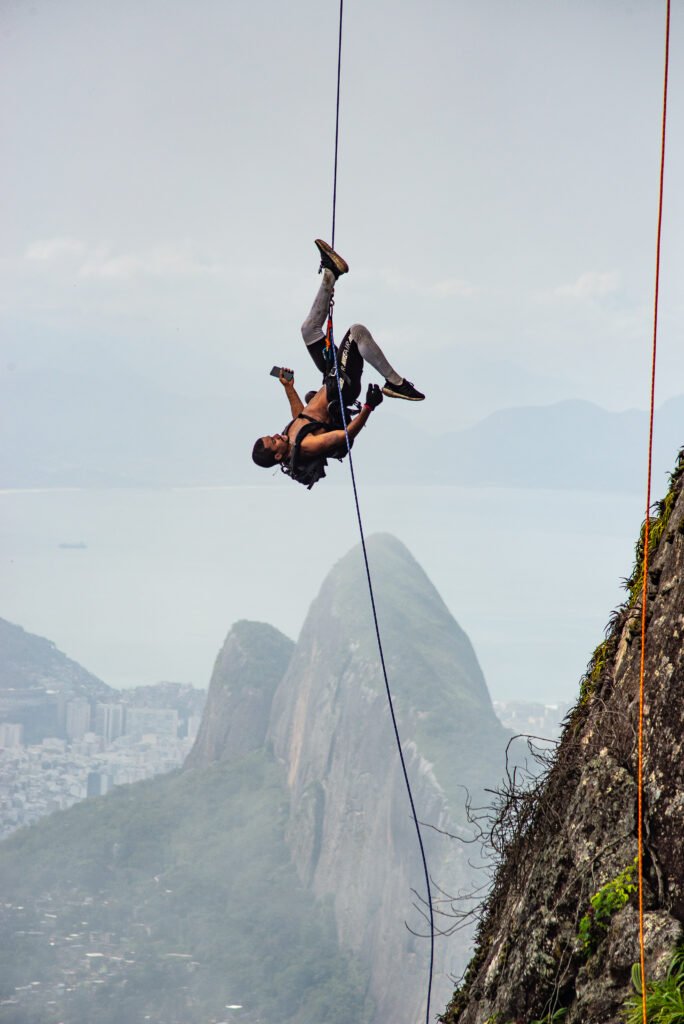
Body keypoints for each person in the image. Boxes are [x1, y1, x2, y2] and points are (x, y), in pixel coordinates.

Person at [252, 239, 425, 487]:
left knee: (308, 330)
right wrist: (368, 407)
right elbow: (345, 435)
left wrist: (288, 387)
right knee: (356, 332)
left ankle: (331, 272)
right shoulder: (308, 446)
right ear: (278, 455)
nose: (276, 436)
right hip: (342, 388)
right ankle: (396, 384)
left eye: (271, 436)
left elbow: (301, 416)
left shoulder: (290, 437)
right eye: (273, 441)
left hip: (330, 379)